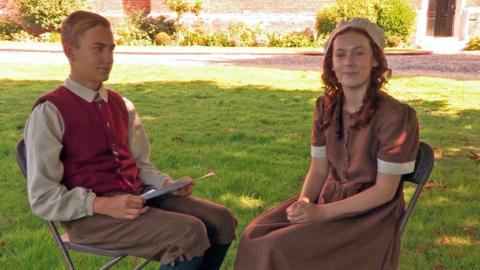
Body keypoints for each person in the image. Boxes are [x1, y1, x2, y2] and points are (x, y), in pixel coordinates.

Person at [24, 10, 236, 270]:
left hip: (136, 197)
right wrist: (102, 204)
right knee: (188, 234)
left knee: (222, 220)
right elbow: (43, 198)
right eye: (98, 49)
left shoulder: (121, 105)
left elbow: (140, 165)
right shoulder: (50, 112)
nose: (108, 58)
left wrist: (166, 184)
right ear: (70, 51)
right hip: (89, 217)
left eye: (112, 49)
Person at [234, 18, 419, 270]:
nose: (348, 62)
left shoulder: (396, 116)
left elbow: (384, 191)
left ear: (375, 60)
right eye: (340, 55)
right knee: (254, 236)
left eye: (359, 53)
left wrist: (320, 214)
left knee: (275, 247)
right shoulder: (325, 108)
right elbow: (319, 169)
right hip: (326, 199)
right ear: (331, 64)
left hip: (369, 216)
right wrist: (305, 203)